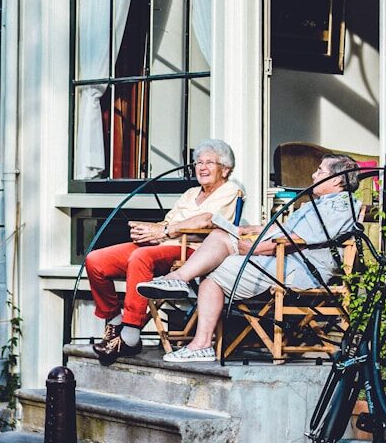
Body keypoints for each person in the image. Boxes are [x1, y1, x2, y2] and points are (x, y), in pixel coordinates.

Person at [137, 153, 361, 362]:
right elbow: (285, 230)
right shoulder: (318, 203)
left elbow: (294, 239)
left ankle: (200, 340)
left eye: (320, 171)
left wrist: (252, 248)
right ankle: (179, 281)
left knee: (213, 272)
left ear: (337, 180)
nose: (314, 175)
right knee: (220, 235)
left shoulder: (339, 205)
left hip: (298, 270)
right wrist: (251, 229)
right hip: (282, 261)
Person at [85, 139, 241, 365]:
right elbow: (166, 223)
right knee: (96, 260)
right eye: (198, 162)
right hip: (163, 245)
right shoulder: (189, 194)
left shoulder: (230, 190)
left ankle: (130, 334)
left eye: (209, 162)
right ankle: (115, 319)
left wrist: (163, 231)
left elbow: (207, 221)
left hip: (193, 251)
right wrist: (147, 231)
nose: (202, 167)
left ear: (225, 169)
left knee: (140, 257)